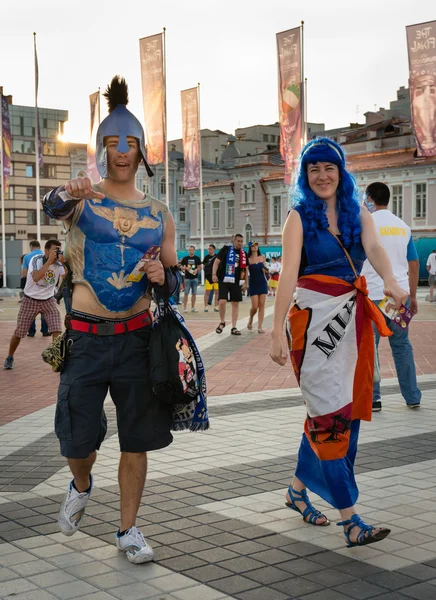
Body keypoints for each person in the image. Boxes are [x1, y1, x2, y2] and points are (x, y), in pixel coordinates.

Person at [41, 76, 180, 564]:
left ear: (142, 151)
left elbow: (173, 282)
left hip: (138, 339)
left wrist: (162, 274)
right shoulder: (84, 199)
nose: (122, 152)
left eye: (131, 144)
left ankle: (128, 529)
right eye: (113, 144)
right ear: (102, 149)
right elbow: (52, 206)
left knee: (136, 439)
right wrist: (67, 189)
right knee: (76, 441)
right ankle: (81, 484)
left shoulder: (160, 213)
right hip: (85, 339)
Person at [269, 138, 407, 548]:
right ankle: (351, 519)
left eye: (330, 168)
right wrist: (276, 330)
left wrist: (396, 286)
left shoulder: (357, 212)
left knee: (344, 412)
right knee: (329, 417)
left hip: (353, 325)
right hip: (313, 327)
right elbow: (289, 275)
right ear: (305, 176)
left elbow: (375, 248)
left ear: (341, 172)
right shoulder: (297, 217)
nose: (323, 176)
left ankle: (297, 491)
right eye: (314, 170)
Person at [361, 182, 421, 412]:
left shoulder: (365, 223)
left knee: (370, 347)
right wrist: (412, 297)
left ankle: (374, 399)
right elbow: (413, 264)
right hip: (398, 297)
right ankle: (412, 396)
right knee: (402, 344)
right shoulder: (403, 227)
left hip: (372, 296)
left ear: (369, 199)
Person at [4, 239, 65, 370]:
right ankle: (10, 356)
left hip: (48, 299)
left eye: (58, 250)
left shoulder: (59, 264)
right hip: (30, 299)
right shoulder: (36, 260)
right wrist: (49, 262)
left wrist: (65, 263)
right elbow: (36, 277)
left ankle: (56, 358)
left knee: (57, 329)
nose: (56, 253)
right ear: (46, 251)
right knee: (19, 332)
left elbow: (66, 276)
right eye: (54, 250)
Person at [212, 233, 248, 336]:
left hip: (237, 282)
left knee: (235, 304)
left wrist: (246, 283)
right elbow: (216, 262)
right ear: (234, 241)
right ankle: (222, 322)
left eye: (241, 241)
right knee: (222, 301)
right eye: (238, 241)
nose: (240, 243)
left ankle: (234, 327)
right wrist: (214, 274)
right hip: (224, 279)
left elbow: (246, 269)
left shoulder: (243, 253)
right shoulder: (226, 249)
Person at [22, 241, 50, 337]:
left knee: (31, 312)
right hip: (45, 287)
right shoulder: (45, 256)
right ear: (39, 246)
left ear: (31, 246)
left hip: (32, 289)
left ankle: (31, 331)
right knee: (45, 311)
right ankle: (45, 330)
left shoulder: (27, 256)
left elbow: (24, 273)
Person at [247, 241, 268, 333]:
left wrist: (265, 269)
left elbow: (267, 269)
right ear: (250, 248)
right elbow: (246, 273)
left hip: (262, 282)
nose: (255, 247)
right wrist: (245, 284)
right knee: (255, 306)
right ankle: (251, 319)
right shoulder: (248, 259)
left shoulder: (262, 257)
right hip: (253, 283)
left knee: (262, 304)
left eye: (256, 245)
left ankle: (260, 327)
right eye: (253, 246)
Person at [180, 245, 202, 313]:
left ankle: (193, 307)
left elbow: (200, 267)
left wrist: (196, 270)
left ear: (194, 250)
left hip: (195, 278)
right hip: (187, 278)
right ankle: (185, 308)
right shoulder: (185, 258)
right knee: (186, 293)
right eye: (189, 250)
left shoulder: (197, 258)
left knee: (194, 293)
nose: (190, 251)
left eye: (192, 250)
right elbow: (180, 266)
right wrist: (185, 268)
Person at [203, 244, 219, 312]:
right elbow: (203, 266)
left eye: (210, 249)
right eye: (208, 249)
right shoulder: (206, 257)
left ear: (214, 249)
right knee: (207, 292)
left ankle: (216, 306)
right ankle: (206, 306)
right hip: (209, 277)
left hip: (216, 277)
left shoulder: (217, 257)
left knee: (217, 292)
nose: (209, 250)